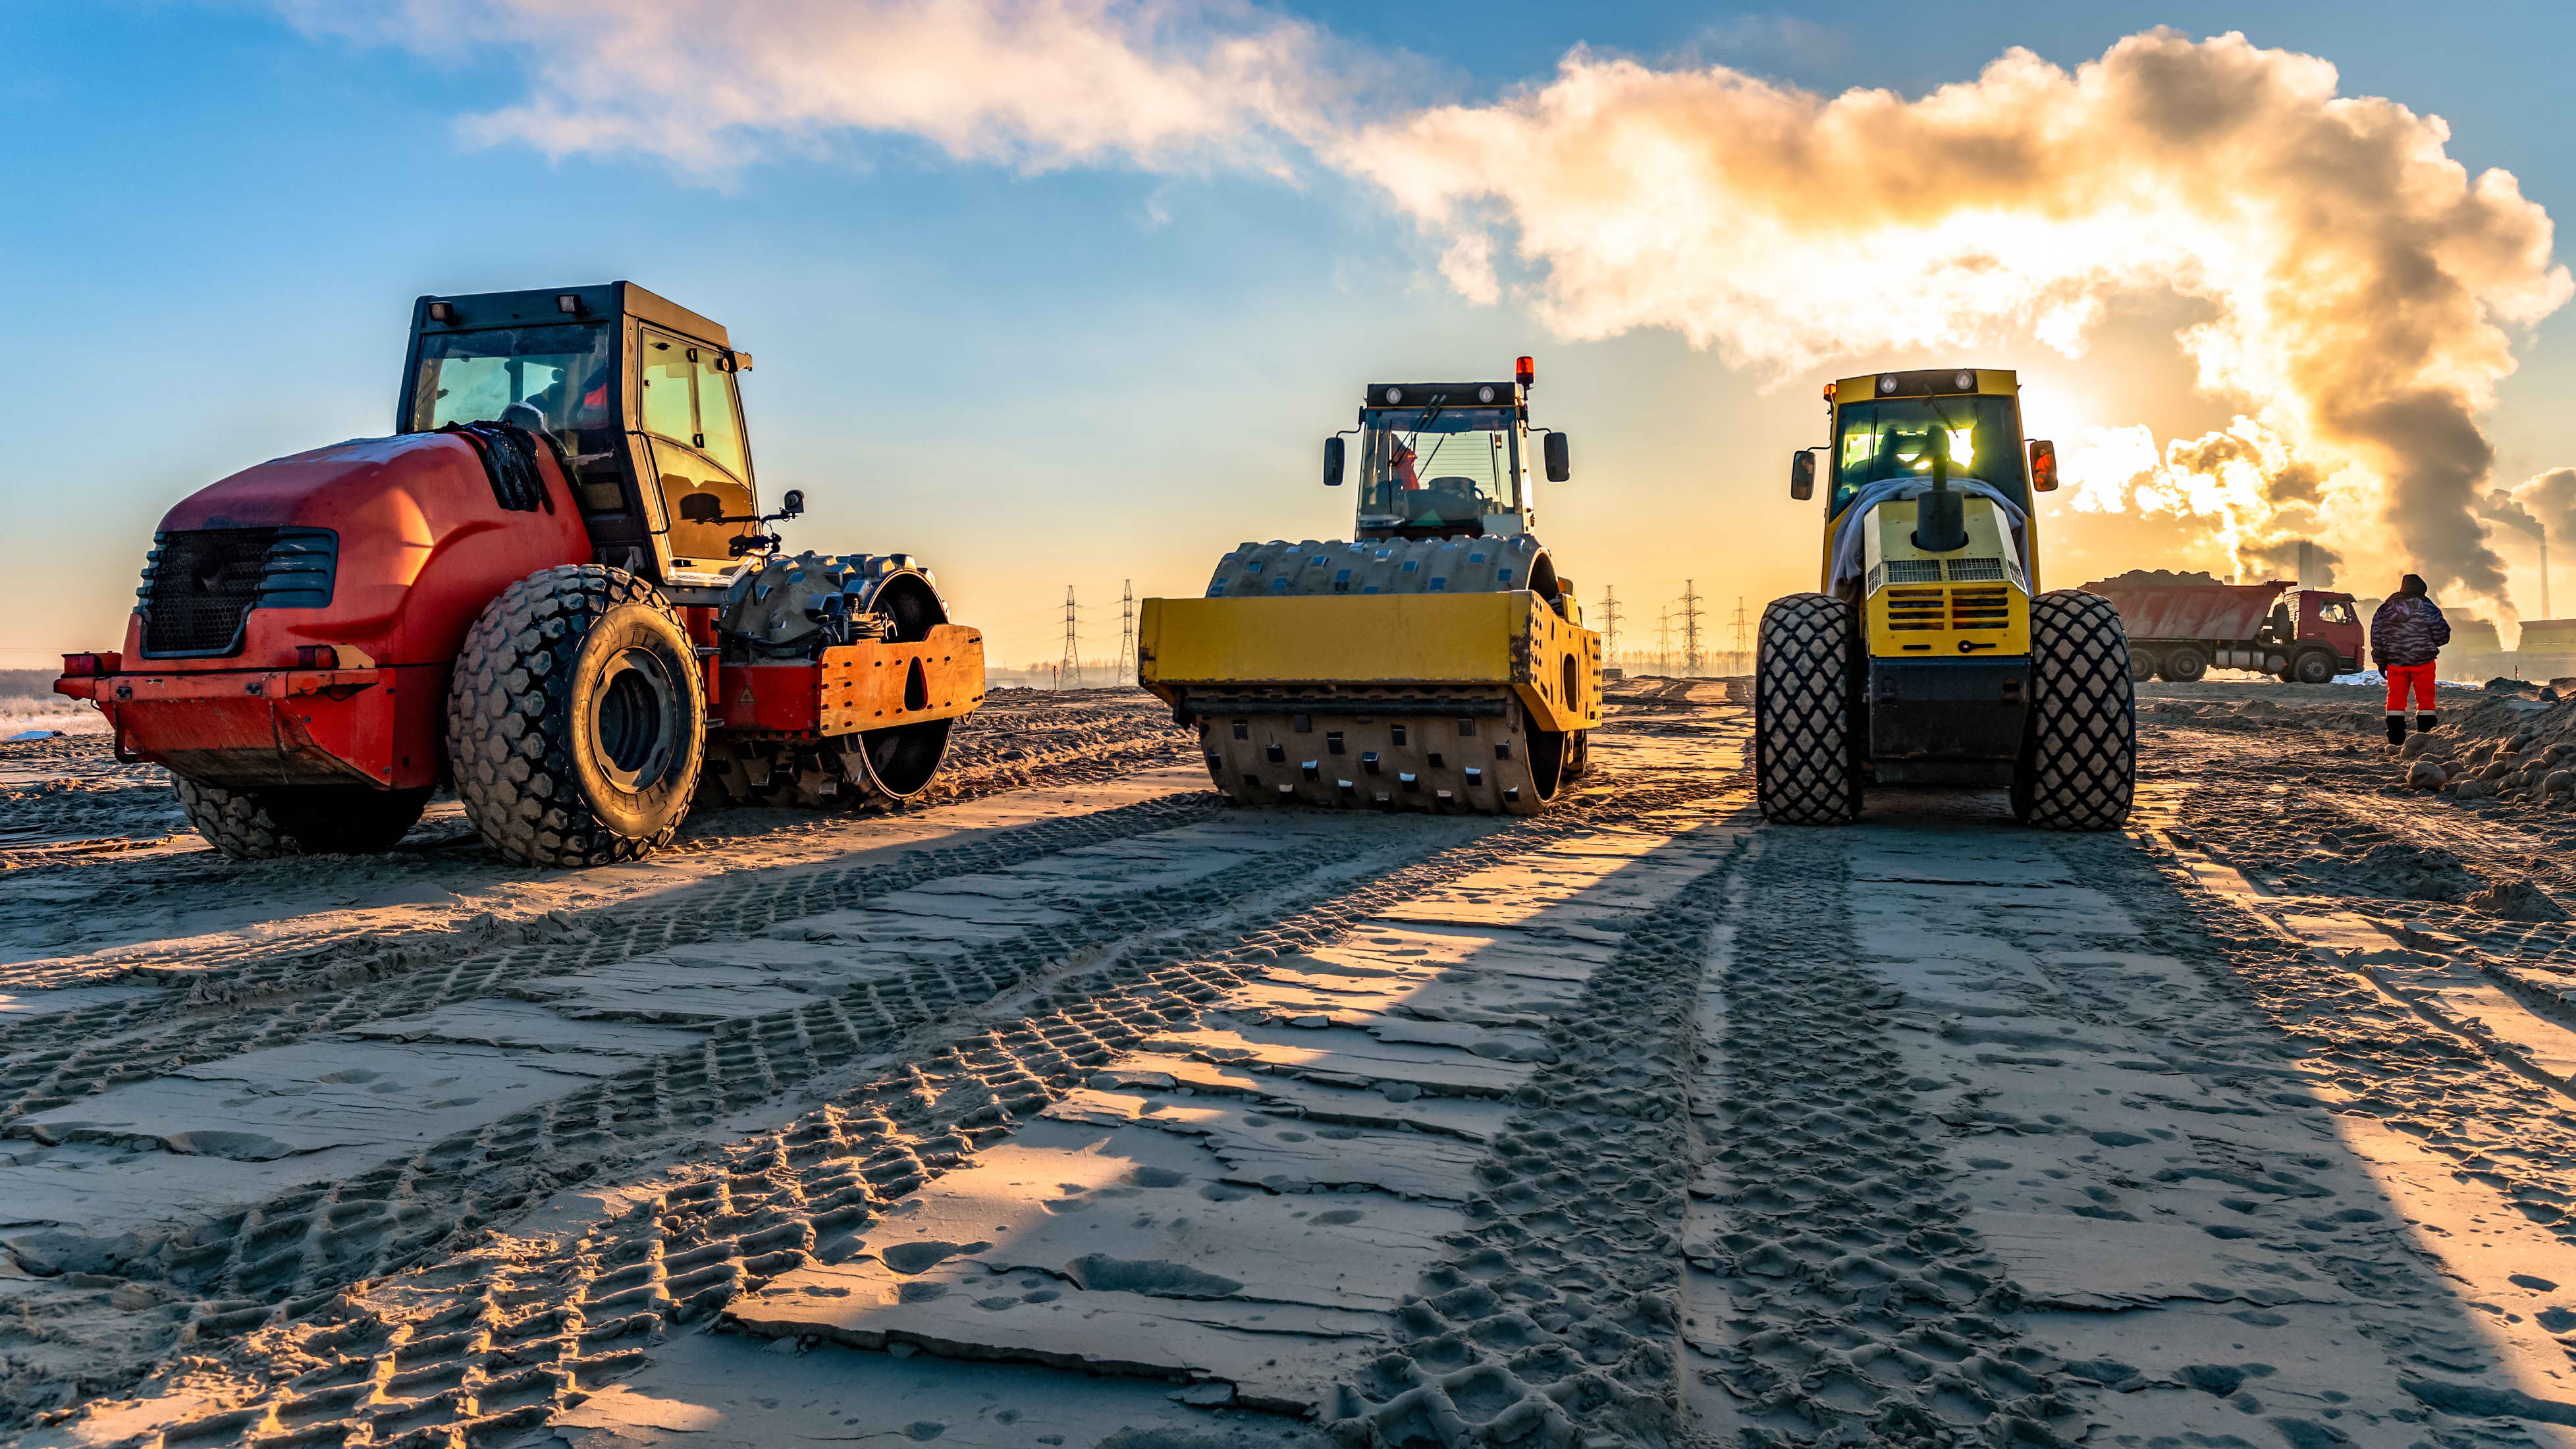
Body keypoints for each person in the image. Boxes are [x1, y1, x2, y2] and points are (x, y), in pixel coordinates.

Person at [2371, 574, 2450, 745]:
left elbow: (2376, 637)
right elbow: (2443, 635)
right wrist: (2426, 643)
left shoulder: (2384, 610)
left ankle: (2395, 739)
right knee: (2426, 700)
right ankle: (2425, 738)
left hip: (2395, 663)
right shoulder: (2428, 608)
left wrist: (2381, 661)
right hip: (2423, 662)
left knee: (2395, 700)